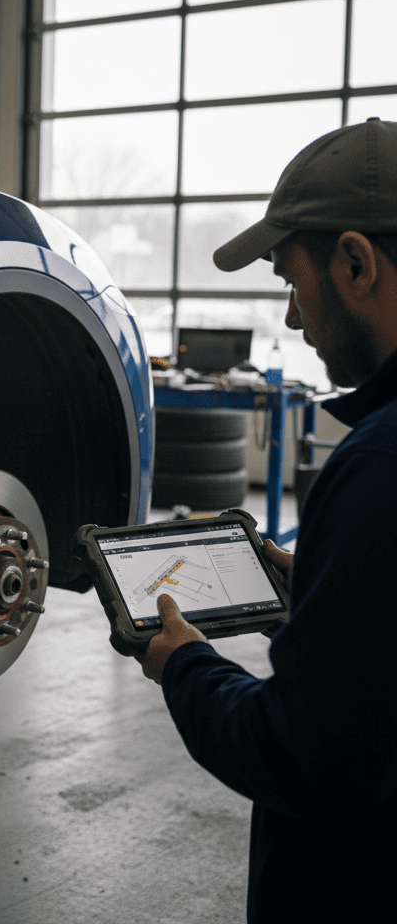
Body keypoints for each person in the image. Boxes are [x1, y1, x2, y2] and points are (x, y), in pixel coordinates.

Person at [136, 117, 397, 922]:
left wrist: (185, 665)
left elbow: (297, 753)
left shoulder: (378, 468)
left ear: (354, 262)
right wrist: (321, 599)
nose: (291, 319)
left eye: (293, 280)